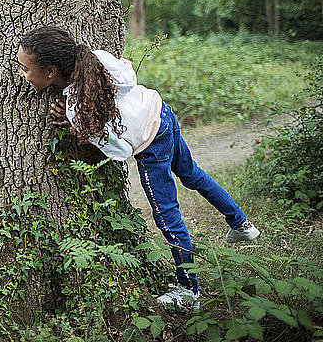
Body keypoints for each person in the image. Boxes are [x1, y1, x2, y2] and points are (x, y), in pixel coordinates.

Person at [16, 26, 260, 311]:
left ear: (50, 71)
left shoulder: (76, 107)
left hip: (151, 144)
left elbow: (120, 152)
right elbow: (129, 76)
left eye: (24, 68)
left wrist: (76, 129)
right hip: (162, 114)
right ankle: (241, 224)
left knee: (167, 215)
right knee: (192, 174)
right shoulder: (97, 59)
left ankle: (189, 291)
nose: (22, 74)